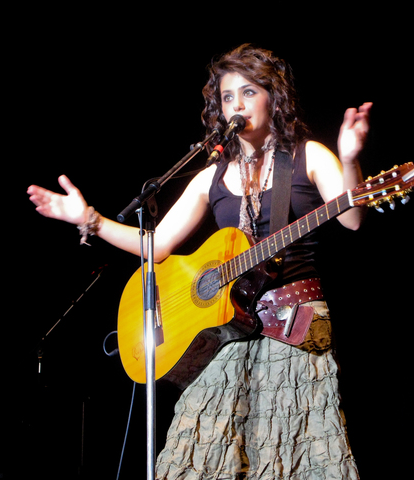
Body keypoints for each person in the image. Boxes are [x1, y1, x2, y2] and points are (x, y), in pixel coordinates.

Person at [28, 44, 371, 480]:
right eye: (228, 97)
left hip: (294, 329)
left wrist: (349, 159)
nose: (238, 105)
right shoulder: (213, 175)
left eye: (249, 92)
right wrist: (91, 220)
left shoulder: (308, 156)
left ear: (273, 98)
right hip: (228, 336)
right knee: (203, 457)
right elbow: (157, 245)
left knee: (291, 457)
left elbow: (354, 218)